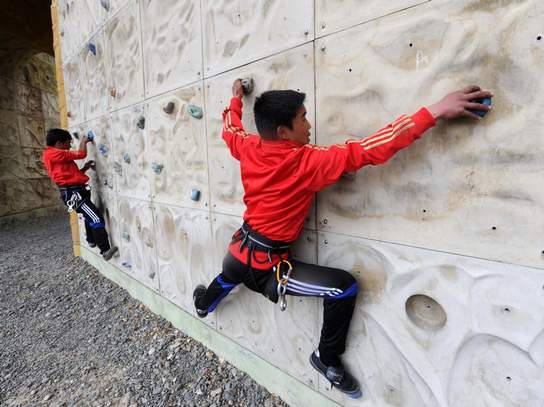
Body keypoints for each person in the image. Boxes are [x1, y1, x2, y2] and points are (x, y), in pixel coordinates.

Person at [193, 79, 493, 397]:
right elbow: (372, 148)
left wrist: (235, 98)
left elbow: (230, 129)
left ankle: (202, 305)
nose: (309, 125)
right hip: (268, 269)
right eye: (303, 118)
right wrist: (436, 110)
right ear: (283, 131)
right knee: (343, 287)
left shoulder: (249, 147)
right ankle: (326, 357)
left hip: (239, 249)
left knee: (227, 276)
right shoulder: (305, 161)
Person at [43, 129, 118, 261]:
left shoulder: (55, 155)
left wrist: (84, 169)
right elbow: (82, 154)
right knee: (96, 219)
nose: (70, 146)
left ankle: (90, 239)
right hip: (74, 194)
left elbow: (68, 174)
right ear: (59, 143)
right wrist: (84, 141)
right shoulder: (53, 154)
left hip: (77, 192)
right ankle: (105, 250)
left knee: (89, 217)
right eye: (69, 143)